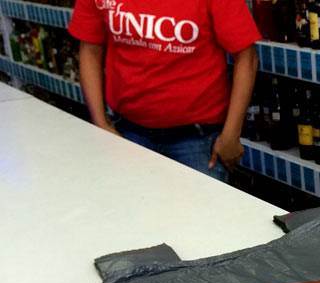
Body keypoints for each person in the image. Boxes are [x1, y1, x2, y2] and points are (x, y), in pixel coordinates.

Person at [68, 0, 262, 182]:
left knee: (199, 208)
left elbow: (247, 56)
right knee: (131, 205)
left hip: (197, 139)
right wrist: (100, 123)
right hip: (127, 132)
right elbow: (89, 50)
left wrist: (231, 135)